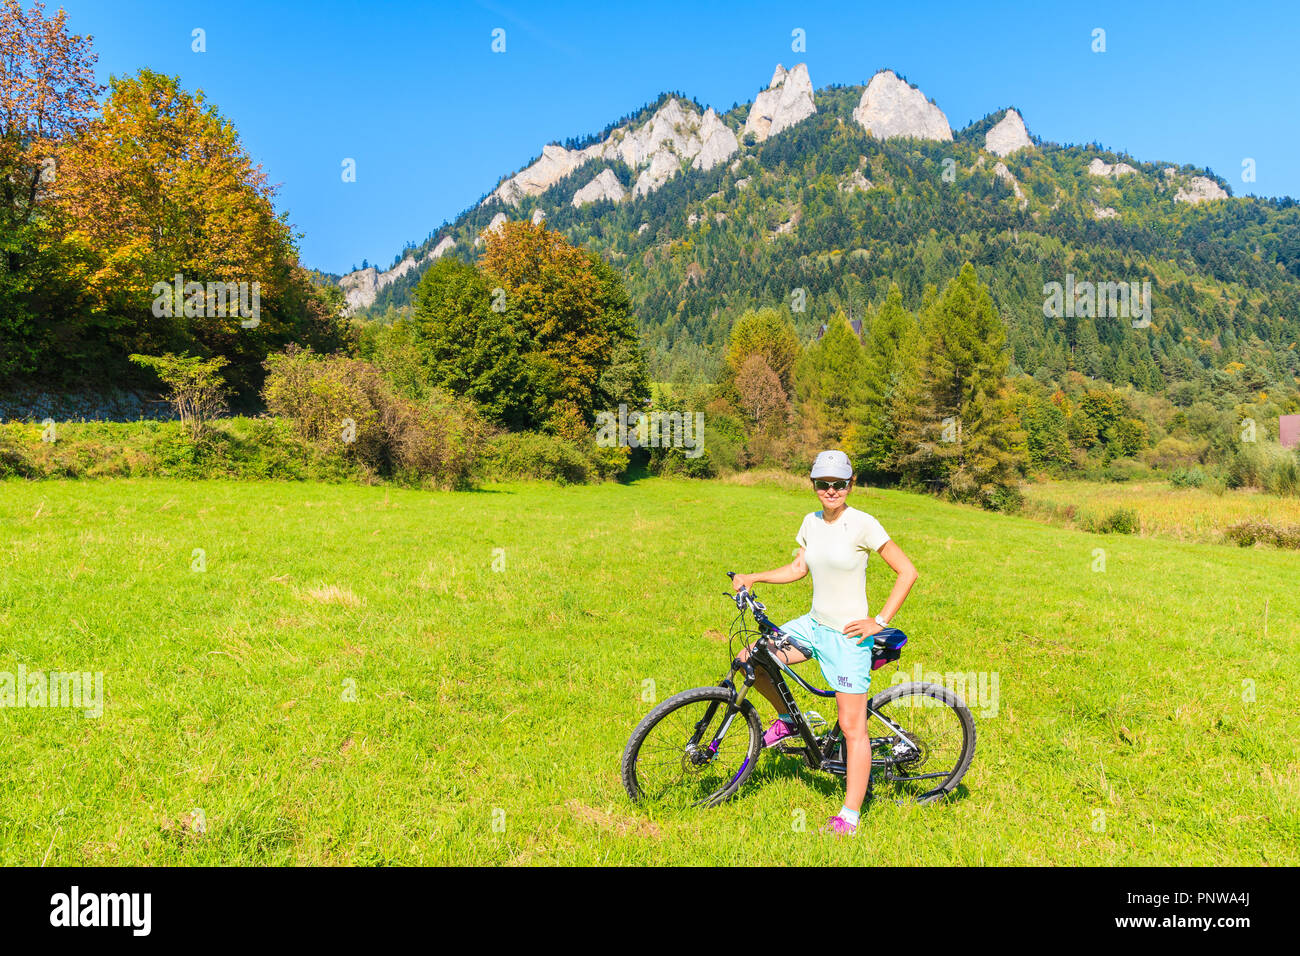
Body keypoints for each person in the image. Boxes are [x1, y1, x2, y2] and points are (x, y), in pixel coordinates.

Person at [731, 450, 918, 838]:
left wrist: (878, 621)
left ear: (851, 485)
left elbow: (907, 571)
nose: (830, 490)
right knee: (750, 658)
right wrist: (755, 576)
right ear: (813, 485)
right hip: (813, 625)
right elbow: (799, 568)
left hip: (849, 637)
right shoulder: (810, 523)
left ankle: (849, 816)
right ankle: (788, 721)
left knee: (853, 729)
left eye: (838, 484)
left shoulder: (863, 524)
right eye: (823, 483)